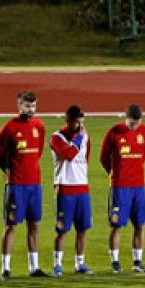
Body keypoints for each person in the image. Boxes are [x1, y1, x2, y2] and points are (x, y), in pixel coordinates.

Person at [0, 90, 48, 280]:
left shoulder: (39, 126)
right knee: (11, 225)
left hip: (35, 184)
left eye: (33, 106)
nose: (30, 109)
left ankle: (34, 267)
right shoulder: (9, 128)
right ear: (19, 105)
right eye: (27, 106)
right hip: (16, 185)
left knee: (34, 225)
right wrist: (8, 170)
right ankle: (5, 268)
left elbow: (38, 151)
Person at [100, 104, 145, 274]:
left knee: (139, 224)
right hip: (120, 187)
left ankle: (137, 261)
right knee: (116, 225)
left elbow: (144, 154)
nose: (134, 126)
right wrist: (114, 172)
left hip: (138, 186)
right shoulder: (114, 132)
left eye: (137, 123)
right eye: (131, 122)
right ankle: (115, 261)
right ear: (125, 117)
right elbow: (103, 157)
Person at [50, 105, 94, 276]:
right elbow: (69, 155)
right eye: (77, 123)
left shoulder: (85, 137)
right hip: (65, 187)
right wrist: (78, 139)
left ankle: (80, 263)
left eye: (81, 123)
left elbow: (85, 159)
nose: (80, 126)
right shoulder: (56, 138)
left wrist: (81, 138)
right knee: (62, 229)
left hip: (82, 187)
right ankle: (57, 264)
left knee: (83, 228)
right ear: (68, 121)